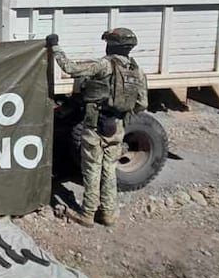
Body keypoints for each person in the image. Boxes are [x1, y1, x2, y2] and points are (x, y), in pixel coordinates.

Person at [45, 28, 148, 227]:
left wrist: (55, 47)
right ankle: (108, 214)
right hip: (117, 127)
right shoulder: (137, 71)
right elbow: (142, 104)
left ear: (110, 45)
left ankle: (87, 213)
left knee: (92, 169)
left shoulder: (104, 65)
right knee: (109, 169)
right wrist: (119, 114)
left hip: (95, 126)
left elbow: (71, 69)